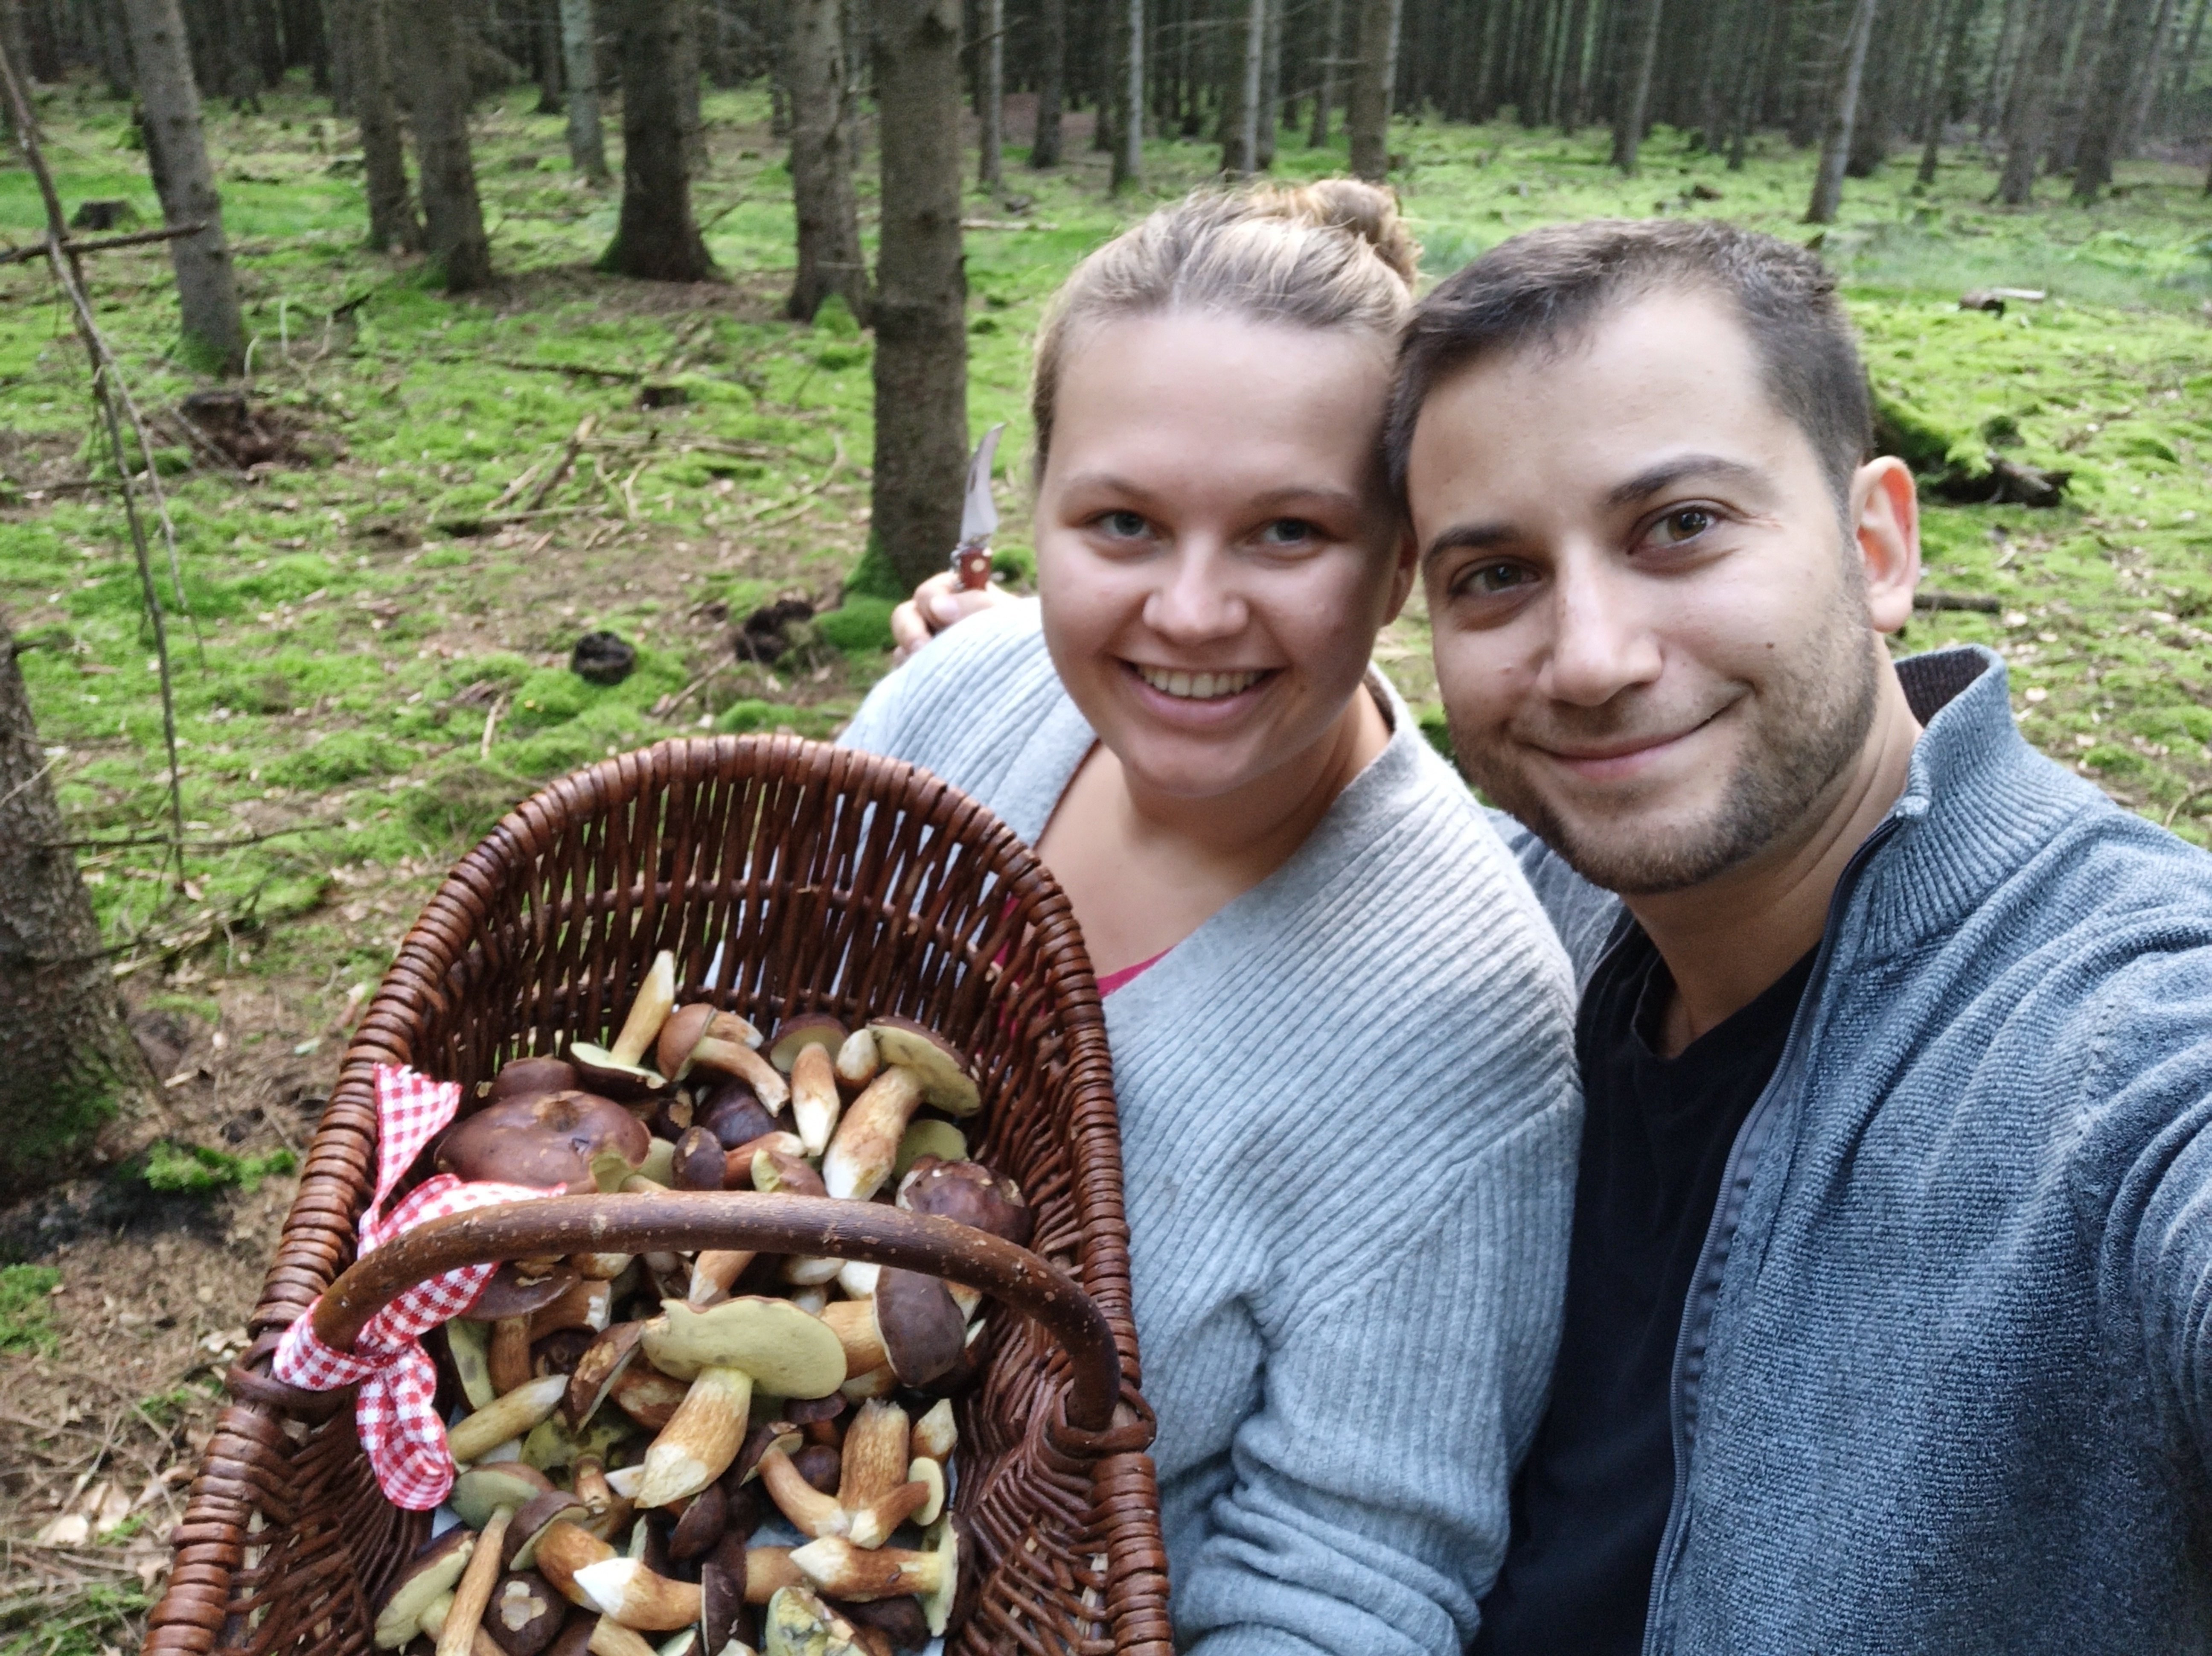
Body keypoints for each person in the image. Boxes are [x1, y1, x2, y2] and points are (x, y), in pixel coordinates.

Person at [1388, 216, 2212, 1653]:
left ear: (1877, 545)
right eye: (1495, 575)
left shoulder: (2119, 1044)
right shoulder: (1515, 923)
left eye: (1681, 527)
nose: (1590, 660)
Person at [844, 182, 1582, 1655]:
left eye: (1286, 532)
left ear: (1399, 560)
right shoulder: (955, 705)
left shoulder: (1461, 1032)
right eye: (1122, 522)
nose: (1189, 613)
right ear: (1039, 516)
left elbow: (1346, 1588)